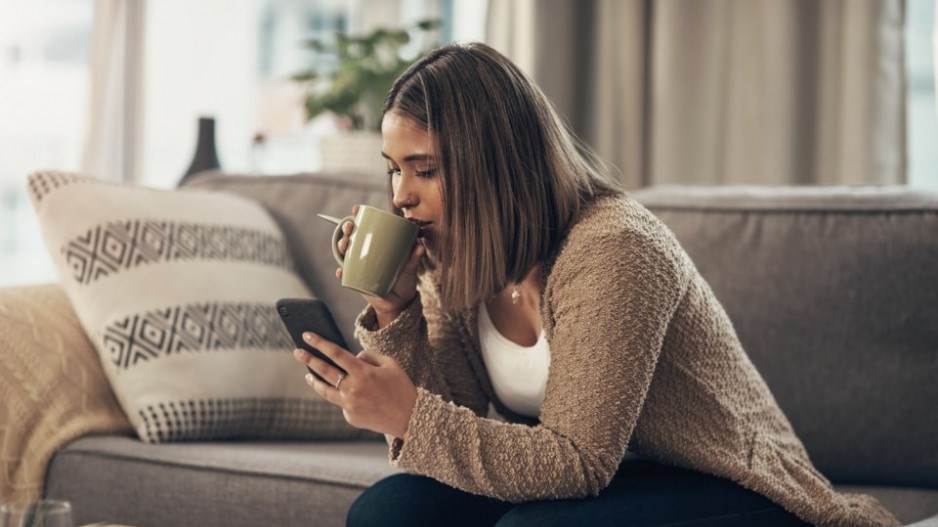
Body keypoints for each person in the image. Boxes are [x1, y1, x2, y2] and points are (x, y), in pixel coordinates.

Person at [292, 42, 898, 527]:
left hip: (734, 485)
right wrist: (394, 305)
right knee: (390, 512)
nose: (400, 195)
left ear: (496, 164)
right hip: (618, 486)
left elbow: (576, 463)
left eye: (425, 169)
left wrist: (408, 416)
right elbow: (458, 414)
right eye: (394, 170)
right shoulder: (459, 257)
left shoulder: (614, 247)